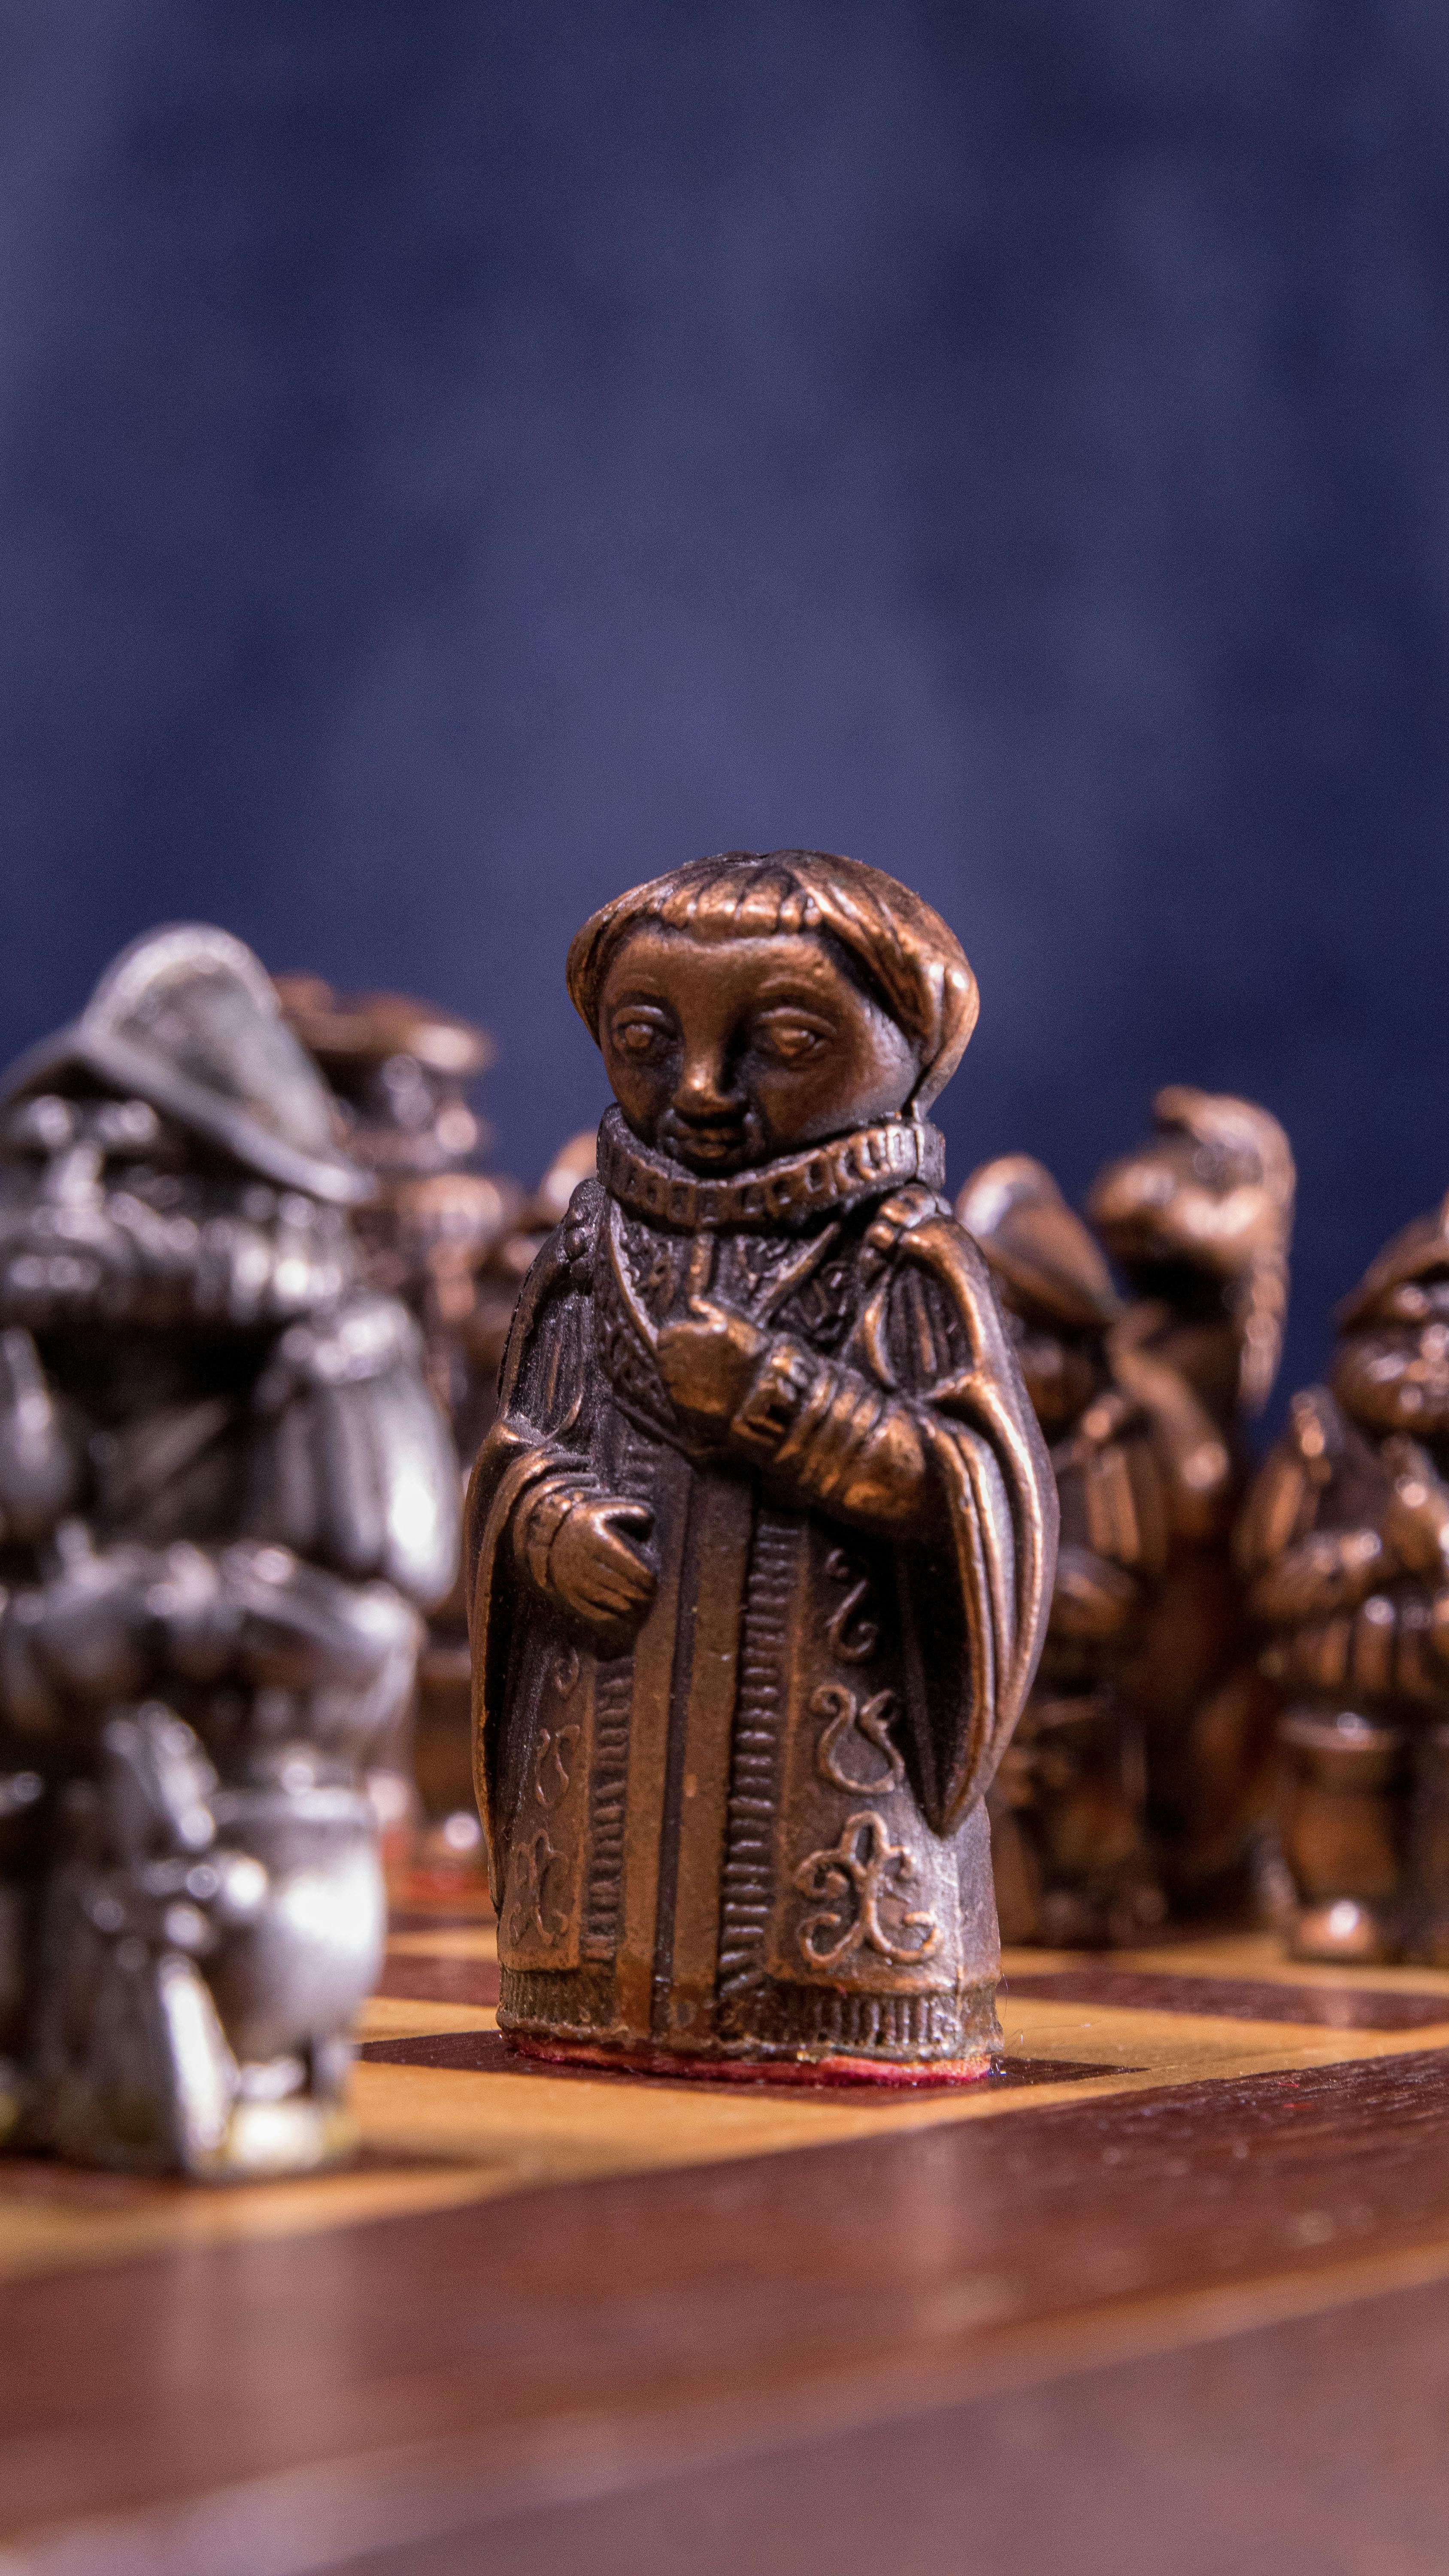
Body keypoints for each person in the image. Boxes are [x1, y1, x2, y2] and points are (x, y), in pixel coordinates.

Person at [466, 850, 1055, 2081]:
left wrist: (785, 1408)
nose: (698, 1089)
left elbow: (983, 1500)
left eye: (782, 1042)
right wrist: (544, 1520)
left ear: (908, 1043)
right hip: (606, 1758)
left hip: (834, 1781)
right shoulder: (586, 1254)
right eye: (645, 1036)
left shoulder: (908, 1263)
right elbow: (511, 1460)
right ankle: (591, 1996)